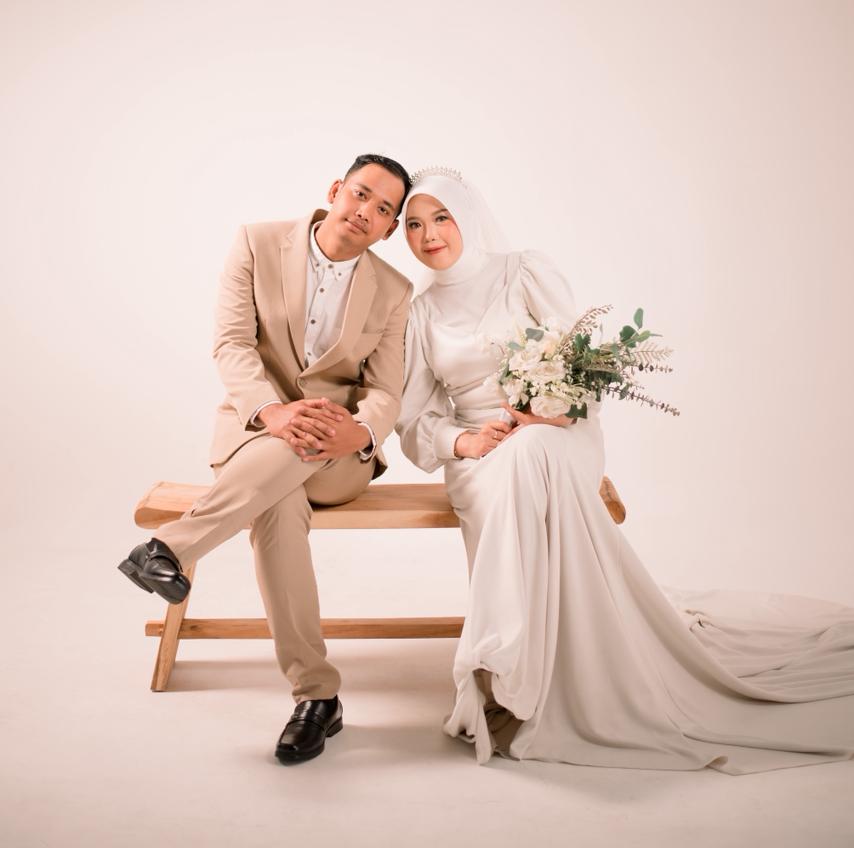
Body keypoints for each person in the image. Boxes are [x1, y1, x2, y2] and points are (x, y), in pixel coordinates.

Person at [397, 167, 854, 773]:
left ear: (467, 217)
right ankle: (519, 659)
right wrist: (464, 439)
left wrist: (552, 411)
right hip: (482, 456)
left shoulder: (522, 271)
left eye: (441, 218)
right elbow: (415, 419)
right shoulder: (419, 313)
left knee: (534, 452)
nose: (429, 235)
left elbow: (581, 368)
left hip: (560, 431)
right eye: (413, 225)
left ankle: (508, 659)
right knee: (520, 459)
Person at [119, 154, 413, 765]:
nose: (367, 211)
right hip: (255, 439)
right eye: (361, 194)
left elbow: (386, 390)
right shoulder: (256, 242)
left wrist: (358, 432)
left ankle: (167, 549)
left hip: (338, 456)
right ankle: (318, 696)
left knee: (303, 447)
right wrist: (272, 412)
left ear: (389, 229)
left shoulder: (394, 290)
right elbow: (231, 343)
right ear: (336, 189)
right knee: (277, 505)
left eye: (384, 209)